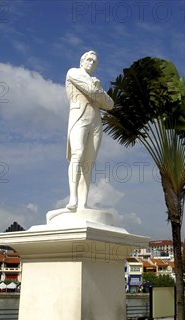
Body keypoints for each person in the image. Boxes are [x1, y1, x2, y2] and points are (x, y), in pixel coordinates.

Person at [65, 50, 114, 211]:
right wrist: (98, 90)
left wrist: (98, 91)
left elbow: (110, 104)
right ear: (82, 61)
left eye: (94, 61)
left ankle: (83, 203)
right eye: (89, 59)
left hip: (95, 122)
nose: (92, 63)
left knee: (88, 164)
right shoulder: (73, 72)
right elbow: (92, 91)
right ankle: (73, 199)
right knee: (77, 155)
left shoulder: (95, 82)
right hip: (79, 117)